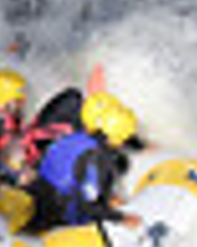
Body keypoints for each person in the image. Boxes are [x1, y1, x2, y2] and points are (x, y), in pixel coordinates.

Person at [23, 92, 144, 232]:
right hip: (59, 216)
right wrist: (121, 218)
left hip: (42, 197)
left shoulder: (77, 137)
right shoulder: (98, 157)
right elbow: (88, 206)